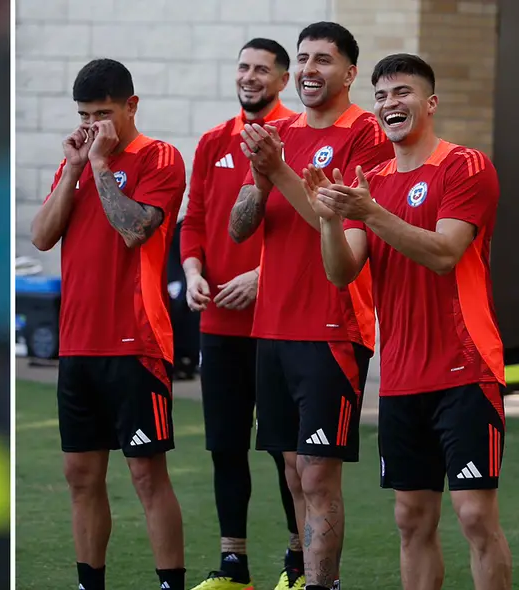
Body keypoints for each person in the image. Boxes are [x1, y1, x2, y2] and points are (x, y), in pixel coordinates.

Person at [306, 53, 512, 590]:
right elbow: (341, 271)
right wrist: (330, 221)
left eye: (402, 93)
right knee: (411, 520)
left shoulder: (464, 165)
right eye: (381, 95)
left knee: (473, 516)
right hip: (401, 378)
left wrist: (368, 212)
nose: (389, 103)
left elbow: (445, 253)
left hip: (467, 369)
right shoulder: (368, 180)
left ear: (430, 102)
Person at [227, 22, 394, 590]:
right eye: (302, 59)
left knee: (319, 473)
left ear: (349, 73)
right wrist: (258, 177)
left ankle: (323, 585)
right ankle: (304, 578)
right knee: (294, 471)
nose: (308, 70)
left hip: (333, 325)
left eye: (323, 60)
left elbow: (345, 233)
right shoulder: (282, 132)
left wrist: (278, 171)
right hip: (272, 326)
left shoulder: (367, 137)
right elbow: (241, 226)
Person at [30, 58, 188, 590]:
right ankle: (89, 582)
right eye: (84, 115)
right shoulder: (76, 163)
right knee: (80, 476)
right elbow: (41, 236)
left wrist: (98, 167)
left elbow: (135, 230)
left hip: (136, 342)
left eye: (103, 113)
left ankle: (169, 582)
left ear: (131, 107)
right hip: (78, 344)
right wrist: (75, 168)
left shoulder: (160, 157)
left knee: (146, 474)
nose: (93, 125)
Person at [180, 38, 305, 590]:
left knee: (286, 452)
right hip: (219, 325)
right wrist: (192, 273)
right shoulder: (212, 142)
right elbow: (195, 222)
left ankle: (300, 565)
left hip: (280, 320)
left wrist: (264, 277)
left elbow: (306, 227)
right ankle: (234, 567)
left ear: (282, 81)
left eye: (262, 69)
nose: (249, 76)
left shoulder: (297, 140)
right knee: (225, 446)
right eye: (243, 67)